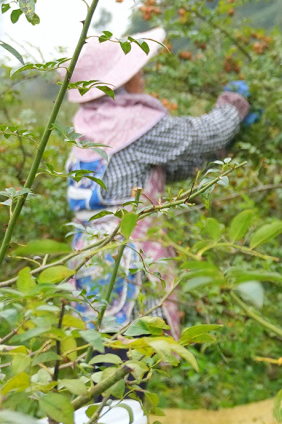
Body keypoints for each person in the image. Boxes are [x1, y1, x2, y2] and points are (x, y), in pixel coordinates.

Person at [64, 27, 254, 337]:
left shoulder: (88, 125)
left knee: (98, 345)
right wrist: (232, 107)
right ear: (124, 80)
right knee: (135, 347)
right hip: (127, 259)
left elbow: (156, 170)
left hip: (88, 256)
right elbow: (204, 134)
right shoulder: (130, 122)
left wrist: (216, 158)